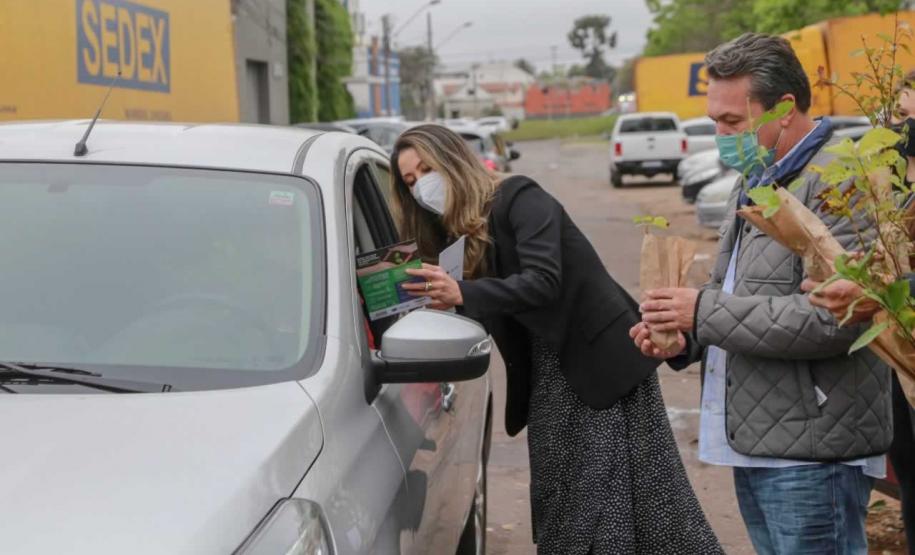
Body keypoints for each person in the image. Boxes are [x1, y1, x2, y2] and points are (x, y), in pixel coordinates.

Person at [389, 124, 722, 554]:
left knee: (623, 501)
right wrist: (444, 307)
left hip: (601, 366)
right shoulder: (460, 236)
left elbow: (543, 281)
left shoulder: (520, 197)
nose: (421, 187)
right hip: (550, 376)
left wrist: (463, 292)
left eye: (426, 169)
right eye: (411, 182)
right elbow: (492, 311)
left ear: (452, 159)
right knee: (565, 497)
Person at [632, 33, 893, 555]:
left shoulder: (841, 182)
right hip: (759, 442)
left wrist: (702, 312)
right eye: (715, 121)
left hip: (813, 453)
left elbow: (835, 321)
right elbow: (738, 293)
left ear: (786, 107)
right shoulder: (756, 178)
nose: (722, 134)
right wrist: (685, 336)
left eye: (733, 122)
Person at [802, 70, 915, 554]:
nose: (902, 130)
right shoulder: (887, 192)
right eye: (899, 117)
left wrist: (891, 290)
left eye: (910, 118)